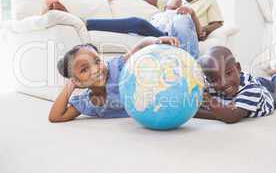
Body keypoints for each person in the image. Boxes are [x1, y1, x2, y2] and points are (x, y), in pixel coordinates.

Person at [48, 37, 179, 122]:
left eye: (97, 61)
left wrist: (157, 41)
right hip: (156, 112)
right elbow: (55, 116)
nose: (95, 69)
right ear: (78, 81)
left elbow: (139, 48)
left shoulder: (116, 67)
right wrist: (70, 85)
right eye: (84, 70)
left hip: (164, 93)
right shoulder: (88, 102)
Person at [43, 0, 201, 59]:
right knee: (138, 23)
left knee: (182, 17)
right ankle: (78, 20)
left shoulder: (185, 11)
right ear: (166, 3)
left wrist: (192, 14)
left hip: (176, 31)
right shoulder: (159, 11)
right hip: (158, 32)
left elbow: (200, 34)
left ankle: (191, 64)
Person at [194, 46, 276, 123]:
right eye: (215, 79)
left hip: (269, 94)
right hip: (246, 81)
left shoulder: (251, 90)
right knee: (257, 80)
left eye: (228, 73)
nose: (223, 83)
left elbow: (232, 116)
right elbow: (195, 110)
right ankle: (262, 78)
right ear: (208, 80)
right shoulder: (210, 87)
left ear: (238, 68)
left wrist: (209, 103)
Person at [105, 0, 223, 39]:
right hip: (163, 30)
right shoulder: (175, 2)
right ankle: (90, 24)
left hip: (187, 33)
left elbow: (217, 23)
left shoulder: (208, 0)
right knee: (137, 23)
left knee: (138, 23)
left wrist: (203, 30)